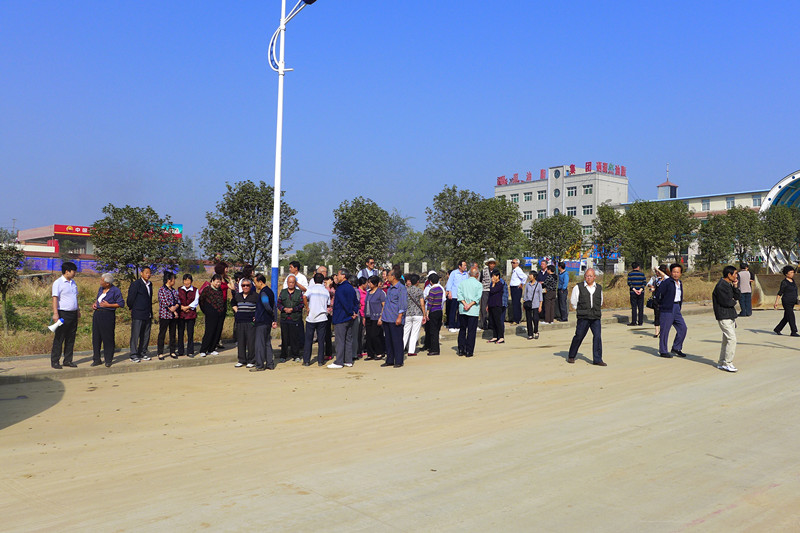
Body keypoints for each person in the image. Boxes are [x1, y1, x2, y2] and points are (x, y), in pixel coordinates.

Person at [567, 268, 606, 366]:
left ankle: (597, 359)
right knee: (579, 336)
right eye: (587, 276)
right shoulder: (578, 287)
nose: (589, 278)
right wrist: (581, 310)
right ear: (584, 277)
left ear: (594, 277)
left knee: (597, 337)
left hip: (595, 316)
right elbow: (574, 301)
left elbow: (600, 301)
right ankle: (571, 355)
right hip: (583, 317)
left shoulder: (599, 288)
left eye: (591, 276)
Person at [50, 261, 80, 369]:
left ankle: (68, 360)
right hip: (62, 313)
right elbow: (55, 298)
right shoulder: (58, 283)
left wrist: (78, 310)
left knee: (71, 337)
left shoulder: (73, 283)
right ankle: (55, 361)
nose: (74, 273)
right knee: (59, 337)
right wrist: (55, 313)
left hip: (73, 313)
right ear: (67, 271)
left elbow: (75, 297)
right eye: (73, 271)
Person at [654, 263, 688, 358]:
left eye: (678, 272)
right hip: (667, 308)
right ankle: (663, 350)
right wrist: (662, 305)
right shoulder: (667, 282)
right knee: (665, 331)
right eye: (674, 272)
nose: (675, 274)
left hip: (676, 308)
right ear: (671, 272)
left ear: (680, 273)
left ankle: (676, 348)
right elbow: (658, 294)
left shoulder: (680, 283)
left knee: (683, 328)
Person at [91, 273, 124, 367]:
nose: (100, 282)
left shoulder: (115, 291)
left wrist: (108, 305)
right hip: (98, 314)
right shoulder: (101, 289)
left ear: (107, 283)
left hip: (108, 315)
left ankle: (108, 359)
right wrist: (95, 304)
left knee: (108, 338)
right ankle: (96, 359)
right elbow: (98, 299)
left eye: (102, 281)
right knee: (96, 337)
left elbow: (121, 303)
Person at [329, 268, 359, 369]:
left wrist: (351, 312)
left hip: (341, 317)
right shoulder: (351, 287)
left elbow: (344, 303)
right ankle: (348, 360)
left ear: (343, 276)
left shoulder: (341, 288)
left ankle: (339, 361)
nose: (337, 277)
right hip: (349, 318)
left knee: (340, 340)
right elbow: (356, 302)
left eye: (338, 274)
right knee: (348, 339)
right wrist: (354, 312)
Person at [713, 265, 741, 372]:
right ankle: (728, 363)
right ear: (729, 275)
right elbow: (727, 302)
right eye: (735, 274)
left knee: (726, 340)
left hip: (730, 315)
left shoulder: (728, 285)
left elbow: (737, 297)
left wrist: (735, 287)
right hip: (724, 316)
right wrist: (733, 301)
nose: (736, 276)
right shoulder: (721, 286)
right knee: (732, 339)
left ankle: (721, 362)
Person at [381, 266, 408, 368]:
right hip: (387, 318)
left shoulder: (401, 288)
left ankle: (399, 360)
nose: (387, 277)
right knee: (388, 340)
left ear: (394, 276)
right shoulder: (390, 288)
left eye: (388, 275)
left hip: (395, 318)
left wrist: (400, 316)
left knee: (397, 340)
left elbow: (403, 304)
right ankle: (390, 360)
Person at [250, 273, 278, 372]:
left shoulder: (263, 292)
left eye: (255, 282)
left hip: (262, 321)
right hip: (267, 321)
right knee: (267, 343)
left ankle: (260, 365)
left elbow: (267, 306)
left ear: (260, 282)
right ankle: (270, 364)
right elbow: (273, 306)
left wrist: (269, 314)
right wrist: (273, 318)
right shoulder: (270, 291)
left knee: (259, 344)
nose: (254, 285)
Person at [126, 266, 153, 363]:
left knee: (145, 335)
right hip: (138, 313)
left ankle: (142, 352)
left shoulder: (150, 284)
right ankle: (133, 354)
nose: (148, 275)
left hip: (147, 313)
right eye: (146, 272)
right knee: (135, 334)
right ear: (141, 273)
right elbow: (130, 298)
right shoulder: (136, 284)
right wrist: (132, 308)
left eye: (149, 273)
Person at [303, 273, 330, 366]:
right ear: (323, 281)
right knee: (321, 340)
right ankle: (320, 361)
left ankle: (306, 360)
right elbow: (328, 304)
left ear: (314, 280)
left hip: (311, 317)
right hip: (322, 318)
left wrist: (307, 307)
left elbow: (304, 296)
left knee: (308, 340)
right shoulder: (326, 291)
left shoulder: (311, 289)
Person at [231, 276, 258, 368]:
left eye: (247, 285)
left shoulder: (255, 296)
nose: (245, 287)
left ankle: (252, 360)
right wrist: (236, 310)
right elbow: (233, 302)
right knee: (241, 341)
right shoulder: (238, 295)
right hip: (240, 321)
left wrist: (256, 316)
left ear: (250, 286)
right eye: (243, 285)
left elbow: (260, 307)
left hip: (250, 322)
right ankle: (241, 360)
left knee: (251, 341)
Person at [278, 275, 304, 362]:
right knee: (284, 338)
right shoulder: (283, 292)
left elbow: (301, 304)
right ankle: (283, 356)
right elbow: (279, 303)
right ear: (287, 283)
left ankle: (296, 355)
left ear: (295, 283)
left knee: (295, 338)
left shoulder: (299, 293)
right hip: (284, 319)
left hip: (295, 318)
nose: (291, 284)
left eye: (293, 282)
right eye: (289, 282)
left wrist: (293, 309)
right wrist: (284, 309)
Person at [457, 267, 482, 357]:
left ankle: (461, 349)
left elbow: (459, 295)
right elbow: (477, 298)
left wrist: (465, 304)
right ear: (477, 275)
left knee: (462, 329)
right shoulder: (479, 285)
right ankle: (469, 350)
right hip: (473, 310)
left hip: (463, 309)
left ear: (469, 274)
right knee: (471, 331)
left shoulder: (462, 283)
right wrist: (470, 305)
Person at [198, 274, 226, 357]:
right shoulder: (207, 290)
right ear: (212, 281)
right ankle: (203, 350)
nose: (218, 284)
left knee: (217, 332)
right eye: (217, 282)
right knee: (209, 332)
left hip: (220, 314)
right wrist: (206, 311)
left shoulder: (220, 290)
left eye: (219, 282)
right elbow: (201, 301)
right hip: (210, 315)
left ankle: (212, 349)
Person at [156, 271, 181, 360]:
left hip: (173, 316)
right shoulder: (162, 290)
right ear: (169, 280)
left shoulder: (173, 290)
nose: (174, 281)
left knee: (173, 334)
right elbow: (165, 302)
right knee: (162, 334)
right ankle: (160, 352)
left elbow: (178, 301)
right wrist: (174, 311)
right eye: (173, 279)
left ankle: (172, 351)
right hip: (165, 315)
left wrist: (176, 307)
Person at [402, 273, 426, 357]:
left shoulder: (405, 290)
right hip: (417, 313)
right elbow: (422, 304)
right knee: (414, 332)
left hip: (408, 313)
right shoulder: (419, 291)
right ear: (418, 282)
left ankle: (401, 349)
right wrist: (424, 314)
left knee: (405, 332)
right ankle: (411, 350)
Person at [364, 275, 386, 360]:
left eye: (370, 283)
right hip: (368, 316)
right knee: (368, 336)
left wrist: (381, 317)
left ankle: (379, 352)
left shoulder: (380, 293)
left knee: (375, 335)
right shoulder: (368, 292)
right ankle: (370, 354)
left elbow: (384, 305)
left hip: (376, 317)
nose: (368, 284)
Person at [177, 274, 199, 357]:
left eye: (188, 280)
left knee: (190, 333)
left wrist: (188, 307)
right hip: (181, 314)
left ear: (191, 281)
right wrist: (182, 307)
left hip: (191, 314)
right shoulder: (179, 289)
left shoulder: (195, 290)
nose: (187, 282)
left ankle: (190, 351)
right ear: (183, 281)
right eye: (185, 280)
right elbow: (177, 299)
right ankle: (180, 351)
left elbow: (196, 301)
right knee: (180, 333)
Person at [773, 265, 799, 336]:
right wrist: (776, 302)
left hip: (792, 301)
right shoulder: (784, 282)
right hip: (786, 301)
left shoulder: (793, 281)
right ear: (786, 274)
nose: (793, 274)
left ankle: (777, 329)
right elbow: (780, 293)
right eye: (791, 272)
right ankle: (793, 331)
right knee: (791, 316)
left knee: (787, 317)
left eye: (793, 272)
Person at [423, 272, 444, 355]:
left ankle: (434, 349)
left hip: (433, 311)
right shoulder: (440, 289)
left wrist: (427, 312)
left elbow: (430, 302)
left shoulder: (432, 290)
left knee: (433, 331)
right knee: (436, 331)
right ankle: (435, 348)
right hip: (439, 310)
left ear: (430, 281)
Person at [445, 260, 469, 332]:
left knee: (460, 311)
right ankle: (451, 326)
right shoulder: (454, 273)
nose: (465, 267)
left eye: (466, 265)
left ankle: (459, 325)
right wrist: (449, 292)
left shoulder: (466, 274)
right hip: (454, 295)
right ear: (459, 266)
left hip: (462, 296)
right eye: (464, 265)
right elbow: (450, 283)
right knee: (453, 311)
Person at [486, 269, 508, 344]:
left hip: (497, 305)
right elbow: (490, 294)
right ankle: (495, 336)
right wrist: (488, 304)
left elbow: (493, 290)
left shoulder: (500, 284)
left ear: (497, 276)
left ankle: (501, 337)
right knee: (492, 321)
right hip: (491, 304)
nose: (492, 278)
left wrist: (493, 284)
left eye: (493, 276)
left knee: (498, 321)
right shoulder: (492, 284)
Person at [646, 265, 668, 338]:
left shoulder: (667, 279)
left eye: (658, 271)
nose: (657, 273)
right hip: (656, 299)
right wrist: (652, 288)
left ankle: (662, 331)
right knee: (657, 315)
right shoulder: (656, 279)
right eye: (656, 271)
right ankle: (656, 331)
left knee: (663, 316)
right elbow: (652, 286)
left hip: (664, 300)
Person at [523, 271, 543, 340]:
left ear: (534, 276)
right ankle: (530, 334)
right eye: (529, 275)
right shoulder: (527, 285)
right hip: (528, 304)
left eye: (531, 275)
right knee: (529, 319)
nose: (529, 276)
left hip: (535, 304)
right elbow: (525, 295)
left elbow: (540, 296)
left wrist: (540, 306)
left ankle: (536, 331)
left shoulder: (538, 285)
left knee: (535, 319)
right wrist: (524, 304)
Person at [627, 262, 647, 326]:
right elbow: (644, 283)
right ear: (638, 267)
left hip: (633, 292)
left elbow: (629, 283)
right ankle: (640, 321)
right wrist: (640, 289)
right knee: (640, 307)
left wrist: (634, 290)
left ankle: (634, 321)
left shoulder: (630, 274)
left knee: (634, 307)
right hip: (641, 292)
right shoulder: (642, 274)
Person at [479, 258, 497, 330]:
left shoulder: (496, 271)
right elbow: (480, 280)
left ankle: (491, 324)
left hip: (493, 290)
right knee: (483, 307)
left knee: (492, 307)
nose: (492, 265)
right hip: (485, 290)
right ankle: (483, 324)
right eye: (490, 263)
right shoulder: (483, 271)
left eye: (493, 263)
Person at [509, 259, 526, 325]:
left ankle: (516, 319)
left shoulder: (518, 270)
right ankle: (516, 318)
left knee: (516, 304)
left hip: (516, 288)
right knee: (515, 303)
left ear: (517, 263)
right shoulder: (514, 270)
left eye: (514, 263)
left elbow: (524, 277)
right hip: (513, 288)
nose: (512, 264)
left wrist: (522, 284)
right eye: (512, 262)